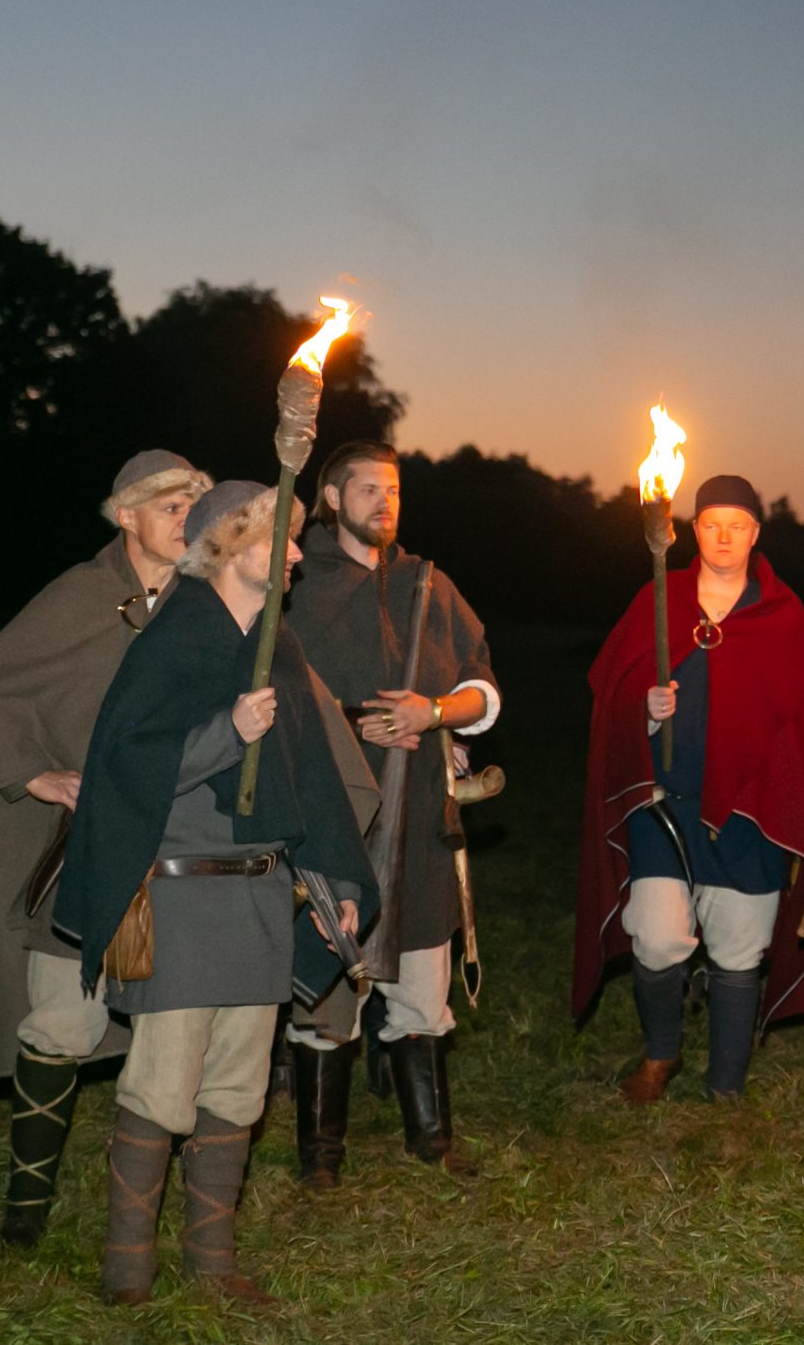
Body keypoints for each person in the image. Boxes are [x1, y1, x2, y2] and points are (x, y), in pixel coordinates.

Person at [54, 481, 376, 1306]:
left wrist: (338, 879)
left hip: (261, 901)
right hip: (182, 902)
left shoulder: (279, 646)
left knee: (237, 1088)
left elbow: (312, 778)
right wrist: (224, 732)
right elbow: (126, 767)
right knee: (161, 1087)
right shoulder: (174, 638)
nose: (298, 554)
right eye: (283, 538)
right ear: (230, 543)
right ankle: (127, 1268)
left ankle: (212, 1262)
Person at [0, 449, 209, 1243]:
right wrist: (30, 773)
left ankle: (145, 1221)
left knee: (181, 1025)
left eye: (193, 505)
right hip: (94, 849)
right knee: (62, 1017)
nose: (186, 520)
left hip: (187, 851)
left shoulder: (210, 601)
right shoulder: (82, 596)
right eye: (169, 506)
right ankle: (24, 1213)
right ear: (125, 515)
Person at [283, 441, 498, 1183]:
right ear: (332, 498)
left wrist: (431, 712)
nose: (385, 501)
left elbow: (481, 690)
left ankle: (431, 1142)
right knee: (327, 996)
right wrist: (348, 726)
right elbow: (272, 694)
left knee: (422, 988)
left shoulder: (427, 583)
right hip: (333, 812)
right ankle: (320, 1156)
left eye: (394, 488)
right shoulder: (298, 584)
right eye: (368, 488)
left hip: (419, 819)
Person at [576, 474, 804, 1101]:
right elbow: (610, 689)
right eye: (712, 524)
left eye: (736, 525)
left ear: (755, 533)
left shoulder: (780, 612)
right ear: (693, 531)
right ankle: (661, 1055)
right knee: (658, 935)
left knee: (739, 948)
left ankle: (726, 1085)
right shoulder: (659, 599)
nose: (723, 536)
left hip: (748, 811)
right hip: (665, 805)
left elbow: (798, 720)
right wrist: (644, 709)